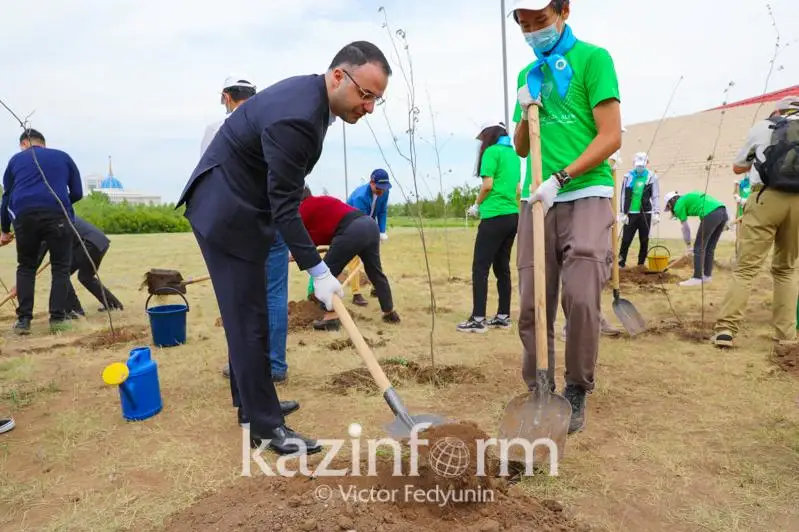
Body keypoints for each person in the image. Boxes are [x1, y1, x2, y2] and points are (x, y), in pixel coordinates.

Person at [176, 41, 391, 456]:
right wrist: (319, 270)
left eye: (376, 100)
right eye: (366, 95)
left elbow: (286, 183)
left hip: (239, 208)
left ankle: (254, 406)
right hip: (225, 213)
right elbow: (285, 205)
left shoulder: (312, 102)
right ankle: (265, 426)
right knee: (248, 317)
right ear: (338, 76)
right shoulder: (299, 116)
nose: (368, 108)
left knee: (250, 313)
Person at [510, 0, 622, 434]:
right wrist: (525, 112)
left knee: (580, 295)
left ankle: (577, 387)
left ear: (564, 12)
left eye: (541, 20)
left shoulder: (594, 59)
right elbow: (521, 148)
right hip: (535, 200)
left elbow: (610, 136)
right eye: (525, 24)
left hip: (585, 192)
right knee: (532, 302)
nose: (535, 30)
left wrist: (562, 176)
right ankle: (540, 386)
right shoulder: (527, 74)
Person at [202, 75, 291, 383]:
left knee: (239, 296)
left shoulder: (218, 129)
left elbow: (208, 175)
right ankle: (275, 365)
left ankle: (244, 367)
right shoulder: (275, 123)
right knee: (276, 294)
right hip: (275, 215)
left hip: (239, 221)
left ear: (227, 97)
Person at [713, 96, 799, 348]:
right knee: (786, 269)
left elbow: (738, 167)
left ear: (778, 110)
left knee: (746, 268)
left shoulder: (763, 127)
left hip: (765, 198)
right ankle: (786, 335)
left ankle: (726, 331)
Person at [1, 129, 83, 335]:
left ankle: (23, 321)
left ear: (24, 144)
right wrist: (59, 205)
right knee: (60, 268)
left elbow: (6, 198)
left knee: (26, 267)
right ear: (43, 144)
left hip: (25, 217)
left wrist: (4, 230)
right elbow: (78, 193)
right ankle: (57, 319)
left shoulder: (15, 161)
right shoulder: (63, 157)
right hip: (58, 218)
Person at [300, 186, 400, 330]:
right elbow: (319, 235)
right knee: (375, 272)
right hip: (370, 226)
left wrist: (295, 253)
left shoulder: (304, 207)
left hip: (351, 230)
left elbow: (297, 235)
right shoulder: (322, 202)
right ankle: (389, 312)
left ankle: (331, 319)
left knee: (325, 273)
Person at [457, 123, 520, 333]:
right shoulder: (513, 155)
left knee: (480, 267)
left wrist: (476, 205)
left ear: (489, 135)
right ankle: (503, 316)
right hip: (512, 216)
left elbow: (487, 185)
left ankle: (478, 318)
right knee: (502, 267)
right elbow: (517, 188)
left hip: (494, 215)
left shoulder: (492, 152)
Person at [35, 216, 124, 317]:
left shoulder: (47, 222)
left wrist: (28, 274)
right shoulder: (60, 213)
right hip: (100, 242)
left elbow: (40, 252)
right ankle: (113, 305)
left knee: (62, 275)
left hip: (88, 243)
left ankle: (75, 311)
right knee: (85, 277)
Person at [662, 190, 729, 287]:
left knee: (698, 247)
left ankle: (697, 278)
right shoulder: (687, 198)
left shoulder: (678, 205)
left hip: (710, 213)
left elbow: (685, 228)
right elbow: (716, 204)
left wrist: (689, 246)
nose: (670, 209)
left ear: (671, 202)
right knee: (710, 247)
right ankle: (707, 276)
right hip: (722, 212)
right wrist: (725, 222)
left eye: (668, 207)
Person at [346, 168, 391, 306]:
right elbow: (362, 220)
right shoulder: (360, 197)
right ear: (371, 183)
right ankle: (356, 294)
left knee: (373, 259)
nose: (381, 191)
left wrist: (381, 231)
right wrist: (371, 234)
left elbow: (382, 211)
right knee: (354, 259)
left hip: (367, 223)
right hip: (351, 224)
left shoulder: (384, 192)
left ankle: (376, 287)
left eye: (384, 188)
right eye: (379, 188)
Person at [618, 152, 661, 268]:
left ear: (647, 163)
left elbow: (655, 195)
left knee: (644, 240)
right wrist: (622, 213)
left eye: (642, 165)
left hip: (645, 213)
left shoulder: (652, 177)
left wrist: (657, 212)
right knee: (626, 239)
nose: (640, 167)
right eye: (638, 165)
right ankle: (621, 263)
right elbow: (623, 195)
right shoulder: (628, 177)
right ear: (634, 164)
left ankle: (641, 264)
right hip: (631, 213)